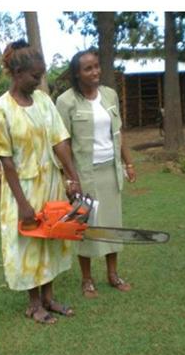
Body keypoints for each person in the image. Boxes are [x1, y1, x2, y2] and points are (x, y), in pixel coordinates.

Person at [0, 40, 82, 324]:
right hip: (23, 188)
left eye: (41, 75)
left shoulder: (43, 101)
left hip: (50, 183)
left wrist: (73, 177)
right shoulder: (0, 108)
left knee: (51, 237)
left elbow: (59, 140)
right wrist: (23, 204)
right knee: (28, 243)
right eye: (35, 76)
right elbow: (5, 160)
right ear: (17, 73)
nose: (39, 81)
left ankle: (49, 298)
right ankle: (33, 304)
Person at [56, 49, 136, 298]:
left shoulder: (109, 95)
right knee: (86, 226)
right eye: (88, 68)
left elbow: (118, 133)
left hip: (110, 171)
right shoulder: (66, 101)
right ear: (77, 74)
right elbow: (62, 142)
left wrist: (128, 163)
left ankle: (113, 274)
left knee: (112, 223)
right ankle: (87, 280)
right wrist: (71, 178)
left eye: (96, 66)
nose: (95, 72)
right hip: (84, 175)